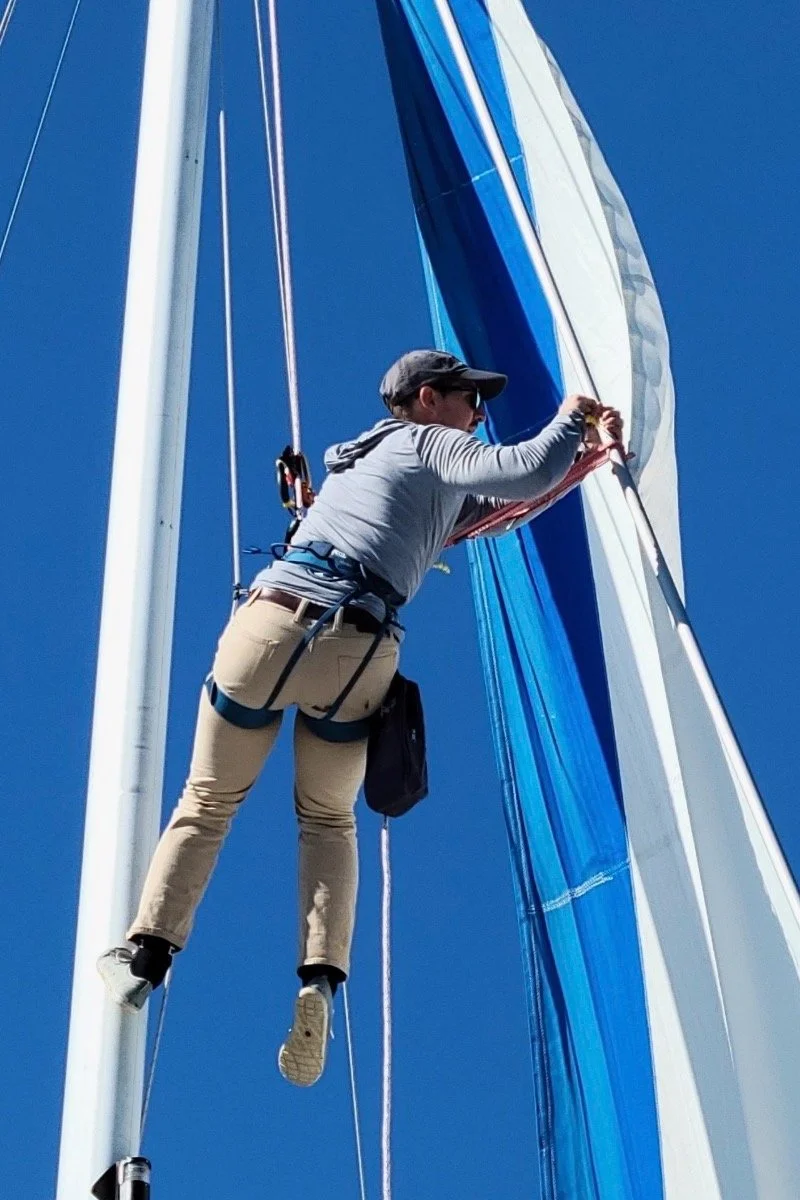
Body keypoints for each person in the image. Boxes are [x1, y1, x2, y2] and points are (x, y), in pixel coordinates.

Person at [98, 348, 622, 1087]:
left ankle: (146, 955)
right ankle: (318, 980)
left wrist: (585, 453)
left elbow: (502, 510)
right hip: (356, 654)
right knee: (327, 821)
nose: (479, 415)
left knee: (208, 800)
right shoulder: (429, 442)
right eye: (471, 400)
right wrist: (574, 419)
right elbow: (523, 475)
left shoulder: (365, 466)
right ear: (428, 397)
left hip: (272, 624)